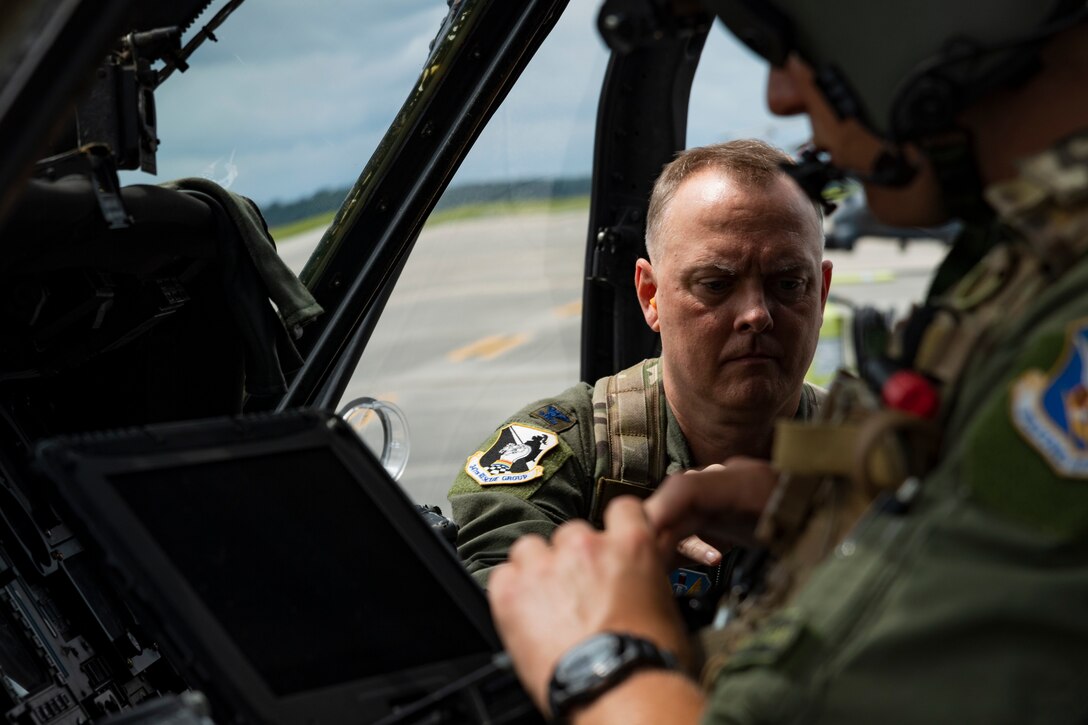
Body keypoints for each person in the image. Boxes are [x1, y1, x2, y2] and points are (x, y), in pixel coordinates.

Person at [487, 1, 1088, 723]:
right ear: (649, 294)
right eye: (714, 282)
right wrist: (821, 518)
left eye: (794, 45)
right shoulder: (1028, 263)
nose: (782, 96)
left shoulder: (1059, 306)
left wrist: (602, 662)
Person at [448, 139, 833, 586]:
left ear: (821, 294)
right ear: (650, 295)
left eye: (788, 284)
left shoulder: (877, 456)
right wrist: (628, 558)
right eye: (715, 284)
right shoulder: (569, 454)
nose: (756, 314)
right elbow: (493, 595)